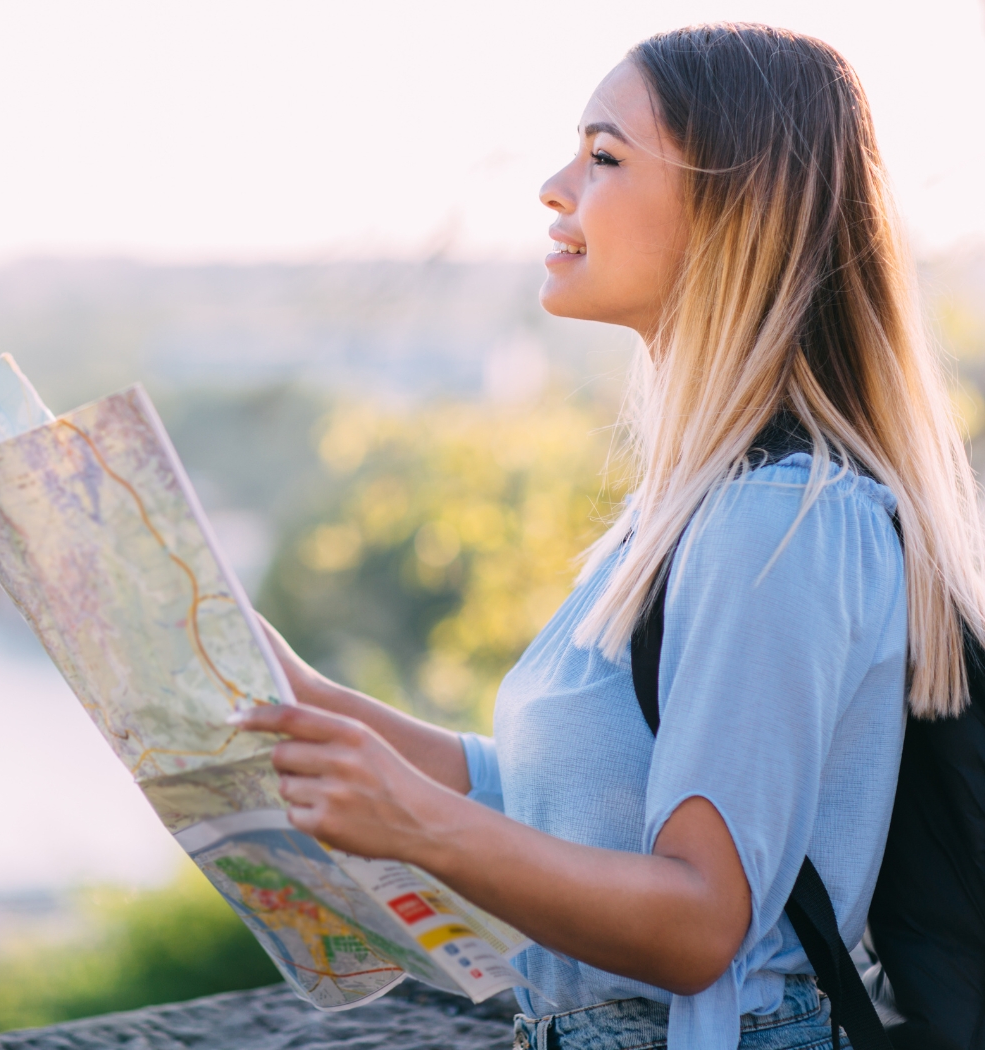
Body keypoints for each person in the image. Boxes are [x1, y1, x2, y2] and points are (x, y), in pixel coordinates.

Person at [233, 22, 985, 1050]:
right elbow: (572, 800)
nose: (554, 186)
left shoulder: (781, 520)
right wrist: (303, 702)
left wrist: (412, 822)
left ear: (734, 212)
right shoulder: (697, 505)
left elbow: (696, 923)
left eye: (601, 156)